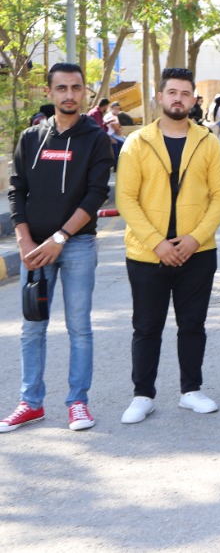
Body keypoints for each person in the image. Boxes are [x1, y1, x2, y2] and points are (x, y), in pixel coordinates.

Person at [2, 63, 114, 433]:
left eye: (76, 87)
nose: (69, 94)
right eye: (62, 88)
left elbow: (95, 195)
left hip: (77, 244)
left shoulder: (96, 139)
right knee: (32, 327)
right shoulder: (31, 137)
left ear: (85, 92)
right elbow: (17, 190)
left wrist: (60, 238)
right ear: (49, 92)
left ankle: (77, 402)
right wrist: (25, 240)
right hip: (35, 248)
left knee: (79, 327)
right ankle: (30, 403)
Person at [115, 67, 220, 423]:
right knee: (146, 326)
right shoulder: (137, 142)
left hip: (198, 251)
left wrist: (195, 238)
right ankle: (142, 395)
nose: (178, 99)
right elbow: (126, 199)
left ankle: (191, 390)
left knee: (193, 324)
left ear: (194, 99)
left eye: (185, 93)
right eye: (172, 92)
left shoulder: (207, 142)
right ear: (160, 97)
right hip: (147, 254)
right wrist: (157, 243)